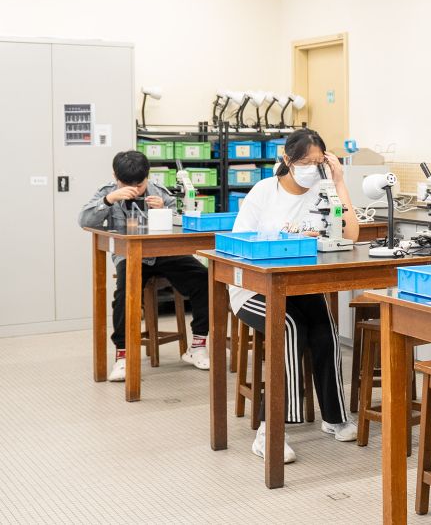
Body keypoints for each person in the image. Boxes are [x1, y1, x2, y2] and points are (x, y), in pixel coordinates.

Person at [230, 128, 361, 463]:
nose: (311, 170)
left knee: (325, 330)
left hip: (298, 287)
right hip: (254, 289)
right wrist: (288, 239)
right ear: (287, 159)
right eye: (305, 163)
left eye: (318, 163)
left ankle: (334, 417)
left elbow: (350, 234)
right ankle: (270, 431)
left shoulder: (323, 191)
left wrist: (339, 182)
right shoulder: (264, 191)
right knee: (289, 328)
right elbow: (239, 243)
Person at [78, 150, 211, 382]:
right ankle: (123, 356)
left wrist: (165, 211)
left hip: (164, 254)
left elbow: (183, 222)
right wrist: (109, 200)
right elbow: (84, 220)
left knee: (204, 279)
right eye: (126, 185)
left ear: (148, 177)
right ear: (115, 177)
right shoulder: (107, 192)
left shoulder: (159, 191)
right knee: (124, 295)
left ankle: (197, 346)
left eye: (139, 185)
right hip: (130, 257)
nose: (134, 190)